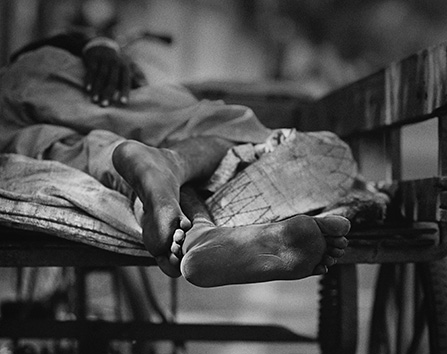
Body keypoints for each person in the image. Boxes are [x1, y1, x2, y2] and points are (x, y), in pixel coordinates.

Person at [0, 32, 353, 287]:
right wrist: (100, 44)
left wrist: (97, 46)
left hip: (12, 141)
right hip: (31, 80)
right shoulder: (64, 68)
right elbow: (58, 43)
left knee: (101, 155)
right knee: (228, 125)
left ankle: (196, 230)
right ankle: (177, 178)